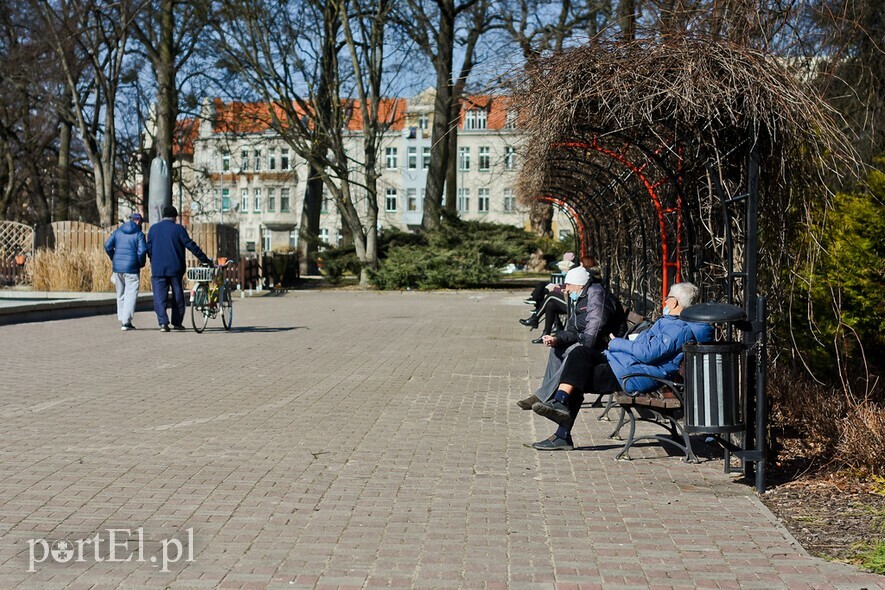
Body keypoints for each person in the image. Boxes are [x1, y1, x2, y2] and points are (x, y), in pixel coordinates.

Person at [528, 282, 714, 451]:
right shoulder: (671, 324)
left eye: (667, 299)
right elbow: (645, 348)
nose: (664, 302)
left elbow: (646, 353)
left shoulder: (677, 328)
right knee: (580, 354)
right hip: (628, 366)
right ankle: (560, 404)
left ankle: (561, 427)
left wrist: (616, 343)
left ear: (674, 302)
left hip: (638, 375)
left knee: (579, 371)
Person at [516, 265, 617, 410]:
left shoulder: (595, 294)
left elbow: (595, 326)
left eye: (569, 284)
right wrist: (556, 338)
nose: (566, 288)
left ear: (579, 284)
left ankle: (542, 396)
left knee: (573, 354)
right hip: (589, 342)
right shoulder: (580, 298)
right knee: (557, 349)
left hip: (603, 345)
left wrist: (583, 351)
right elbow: (572, 329)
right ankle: (547, 395)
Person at [146, 205, 213, 332]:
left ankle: (163, 323)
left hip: (158, 269)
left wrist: (152, 259)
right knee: (178, 296)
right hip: (175, 268)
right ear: (174, 217)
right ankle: (177, 322)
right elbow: (191, 245)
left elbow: (148, 248)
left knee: (159, 297)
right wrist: (205, 260)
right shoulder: (178, 229)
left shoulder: (153, 229)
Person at [104, 213, 148, 331]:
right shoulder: (139, 234)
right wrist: (141, 263)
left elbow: (107, 246)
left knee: (121, 294)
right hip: (132, 267)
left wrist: (114, 258)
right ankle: (126, 322)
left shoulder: (118, 232)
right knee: (131, 294)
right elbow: (143, 250)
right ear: (138, 221)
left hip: (118, 268)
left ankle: (122, 318)